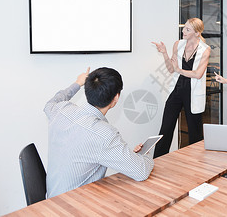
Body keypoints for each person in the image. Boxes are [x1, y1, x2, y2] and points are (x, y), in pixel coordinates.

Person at [44, 67, 154, 198]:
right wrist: (144, 156)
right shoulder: (104, 135)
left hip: (51, 202)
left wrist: (77, 83)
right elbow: (141, 172)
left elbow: (51, 103)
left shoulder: (61, 110)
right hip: (75, 208)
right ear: (116, 98)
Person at [152, 18, 211, 158]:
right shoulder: (178, 44)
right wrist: (164, 53)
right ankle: (157, 160)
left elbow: (197, 74)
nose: (183, 31)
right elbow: (171, 70)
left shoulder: (205, 50)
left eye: (187, 29)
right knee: (165, 128)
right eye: (184, 28)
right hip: (177, 89)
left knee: (194, 131)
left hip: (193, 93)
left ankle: (197, 162)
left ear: (197, 33)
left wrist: (179, 69)